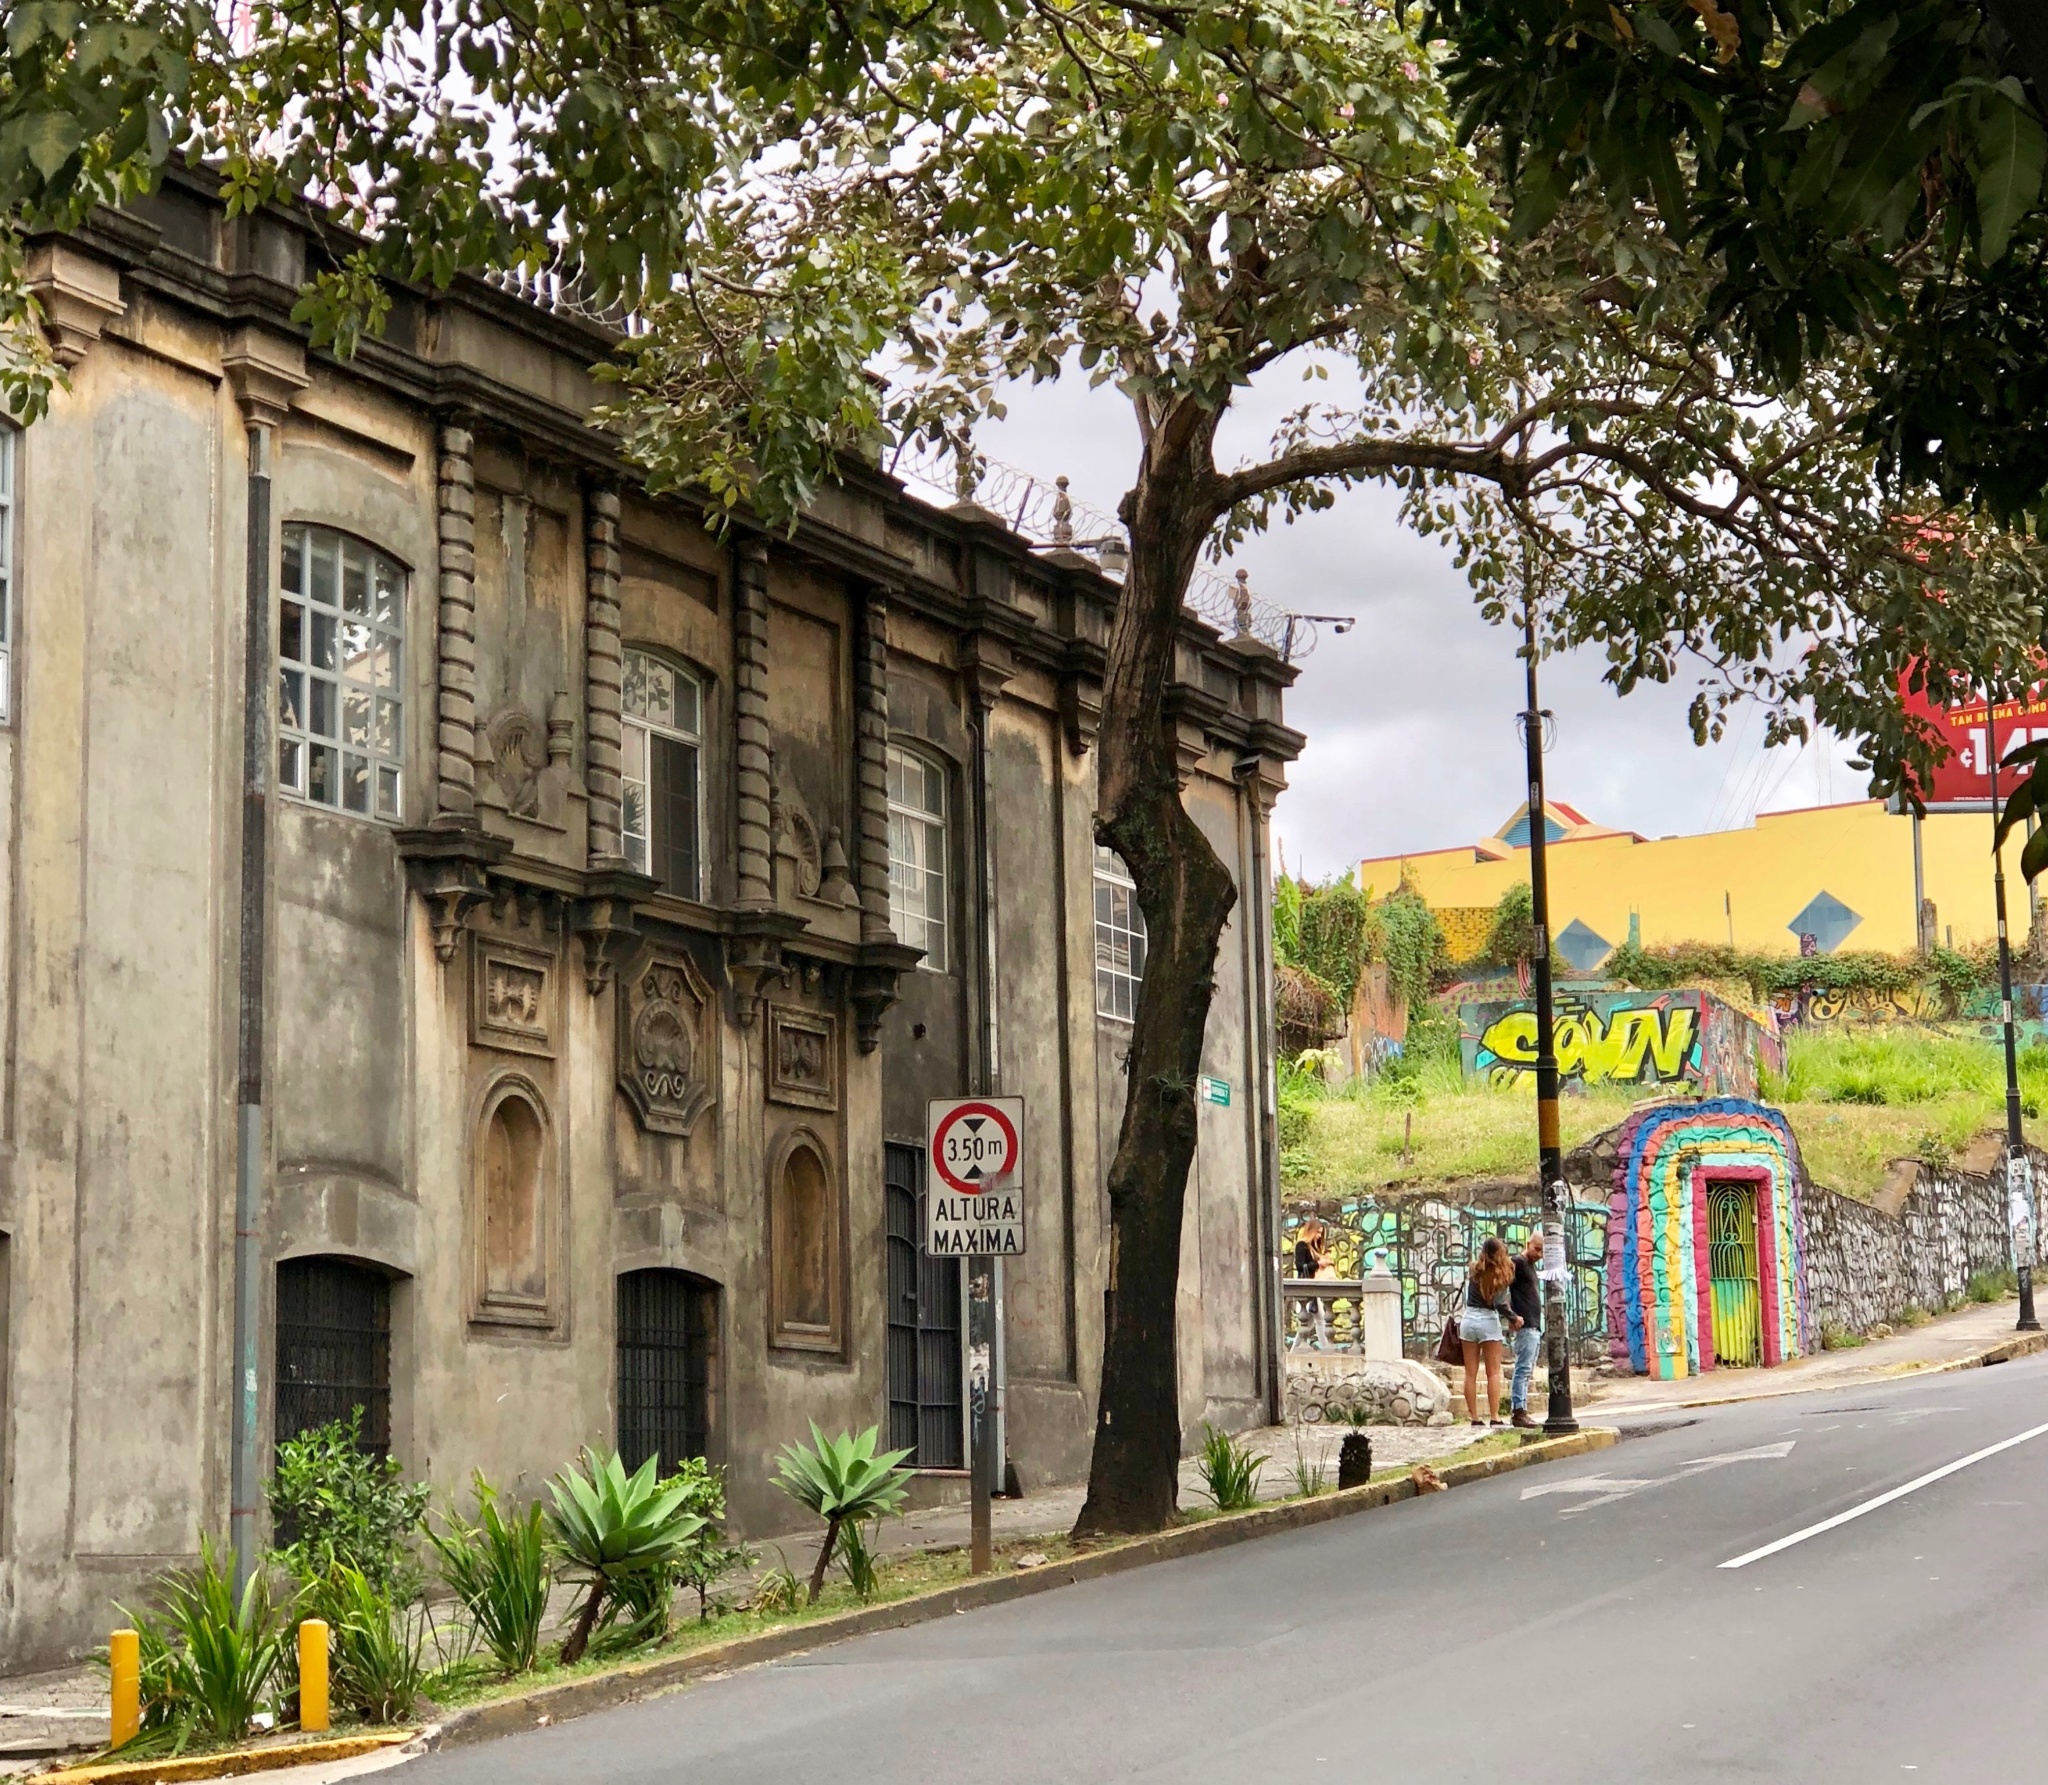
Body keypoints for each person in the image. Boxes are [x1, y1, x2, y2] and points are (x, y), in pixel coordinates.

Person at [1459, 1236, 1520, 1427]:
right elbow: (1498, 1303)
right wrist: (1514, 1318)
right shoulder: (1502, 1273)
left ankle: (1474, 1418)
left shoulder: (1474, 1269)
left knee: (1470, 1373)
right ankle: (1494, 1417)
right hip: (1488, 1320)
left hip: (1468, 1319)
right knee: (1493, 1372)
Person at [1508, 1231, 1545, 1429]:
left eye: (1542, 1251)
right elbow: (1503, 1287)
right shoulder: (1518, 1263)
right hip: (1526, 1326)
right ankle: (1518, 1411)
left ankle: (1521, 1409)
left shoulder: (1529, 1266)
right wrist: (1511, 1316)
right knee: (1522, 1369)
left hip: (1533, 1325)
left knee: (1526, 1369)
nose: (1539, 1254)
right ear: (1528, 1244)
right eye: (1536, 1249)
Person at [1292, 1217, 1333, 1349]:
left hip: (1312, 1286)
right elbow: (1299, 1266)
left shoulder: (1314, 1247)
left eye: (1321, 1233)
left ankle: (1293, 1351)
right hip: (1306, 1286)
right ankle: (1326, 1347)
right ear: (1311, 1231)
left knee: (1308, 1324)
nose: (1319, 1236)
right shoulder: (1301, 1246)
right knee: (1319, 1319)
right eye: (1318, 1232)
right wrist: (1317, 1264)